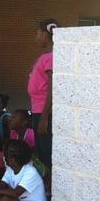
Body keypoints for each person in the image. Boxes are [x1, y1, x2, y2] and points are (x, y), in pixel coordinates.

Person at [28, 19, 57, 175]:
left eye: (38, 33)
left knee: (46, 151)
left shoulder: (51, 57)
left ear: (46, 34)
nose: (36, 37)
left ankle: (52, 185)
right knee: (41, 149)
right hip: (37, 109)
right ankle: (47, 183)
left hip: (43, 111)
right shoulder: (45, 56)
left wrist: (44, 117)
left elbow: (53, 87)